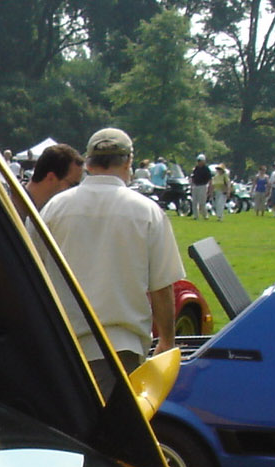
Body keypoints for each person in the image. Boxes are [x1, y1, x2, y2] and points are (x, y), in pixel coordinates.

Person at [40, 127, 185, 397]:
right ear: (128, 162)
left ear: (89, 162)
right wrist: (167, 340)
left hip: (64, 345)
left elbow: (33, 273)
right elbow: (162, 287)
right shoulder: (147, 211)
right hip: (122, 347)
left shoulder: (55, 207)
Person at [26, 143, 83, 211]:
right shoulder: (13, 211)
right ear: (51, 178)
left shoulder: (44, 210)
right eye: (73, 185)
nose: (74, 191)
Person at [189, 154, 212, 219]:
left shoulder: (206, 169)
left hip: (203, 186)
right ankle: (195, 216)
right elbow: (193, 177)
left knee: (202, 203)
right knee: (194, 202)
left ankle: (205, 215)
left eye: (200, 161)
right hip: (195, 186)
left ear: (203, 161)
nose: (199, 162)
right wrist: (191, 185)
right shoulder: (196, 168)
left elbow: (210, 179)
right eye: (198, 161)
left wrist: (210, 189)